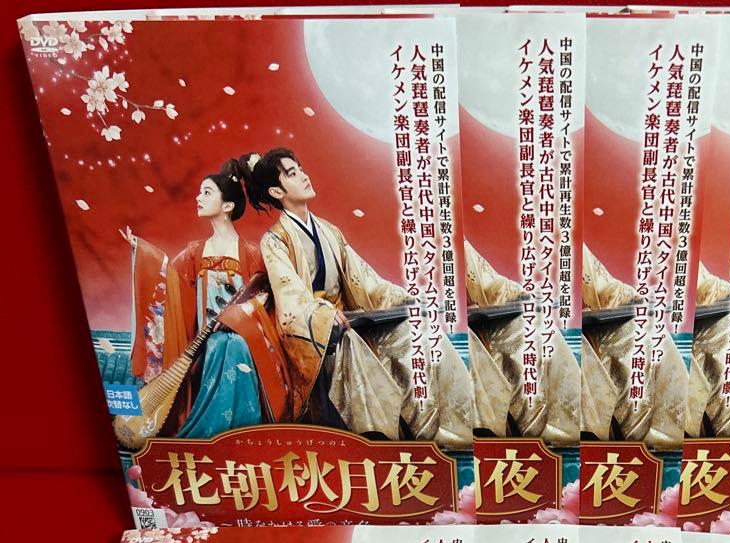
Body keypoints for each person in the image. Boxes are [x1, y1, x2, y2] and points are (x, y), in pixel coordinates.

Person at [237, 148, 473, 448]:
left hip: (345, 319)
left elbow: (364, 280)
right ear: (276, 191)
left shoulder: (330, 231)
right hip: (313, 334)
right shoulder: (275, 240)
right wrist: (323, 314)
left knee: (414, 333)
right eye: (292, 174)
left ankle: (447, 427)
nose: (304, 176)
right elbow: (290, 294)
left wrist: (405, 300)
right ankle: (379, 439)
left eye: (301, 168)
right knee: (351, 345)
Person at [124, 160, 289, 436]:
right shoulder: (195, 252)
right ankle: (209, 430)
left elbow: (266, 296)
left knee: (230, 343)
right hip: (203, 341)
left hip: (245, 337)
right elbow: (169, 282)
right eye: (200, 192)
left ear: (228, 205)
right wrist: (141, 252)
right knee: (217, 343)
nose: (198, 198)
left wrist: (236, 320)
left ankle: (244, 429)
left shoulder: (251, 253)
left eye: (207, 192)